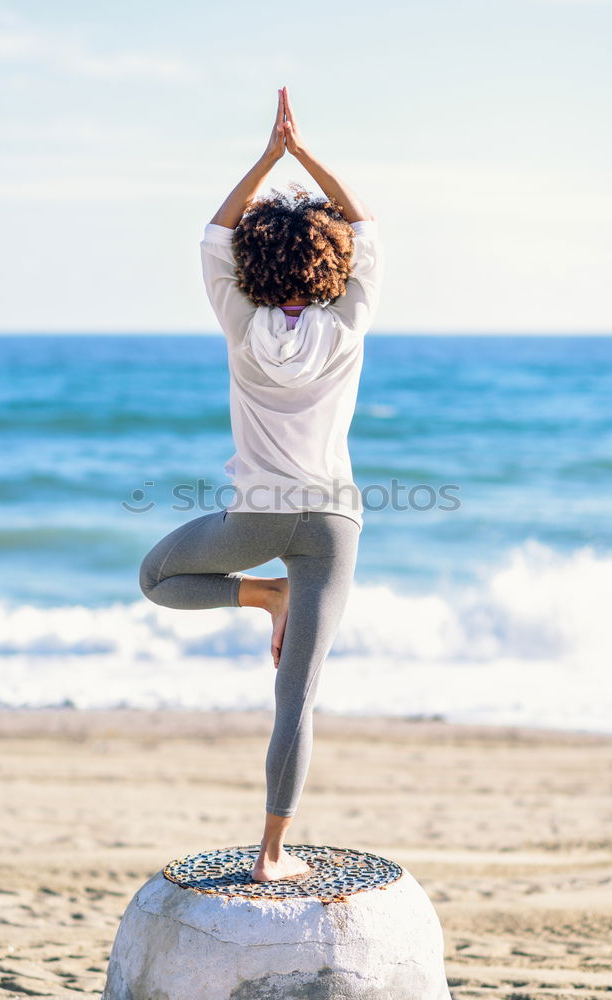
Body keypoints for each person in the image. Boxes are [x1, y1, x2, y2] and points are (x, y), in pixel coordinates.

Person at [139, 86, 383, 882]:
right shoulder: (348, 320)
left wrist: (268, 156)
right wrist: (305, 154)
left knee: (158, 577)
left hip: (254, 520)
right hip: (331, 529)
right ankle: (271, 855)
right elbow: (365, 223)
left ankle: (259, 596)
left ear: (253, 263)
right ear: (331, 260)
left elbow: (214, 231)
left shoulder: (239, 324)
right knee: (295, 700)